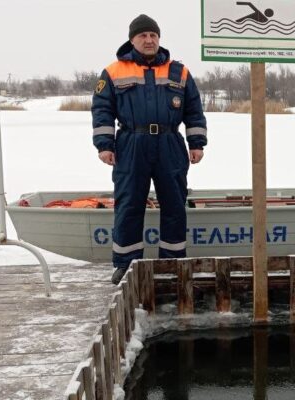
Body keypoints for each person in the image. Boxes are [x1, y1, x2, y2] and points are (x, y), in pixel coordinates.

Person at [92, 14, 208, 284]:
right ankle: (126, 265)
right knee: (129, 205)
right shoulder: (113, 72)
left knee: (174, 205)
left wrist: (197, 143)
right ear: (132, 40)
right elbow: (102, 110)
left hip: (170, 143)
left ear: (159, 39)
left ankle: (172, 264)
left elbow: (194, 109)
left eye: (153, 35)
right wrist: (104, 145)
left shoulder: (179, 72)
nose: (149, 40)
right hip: (132, 144)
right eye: (143, 35)